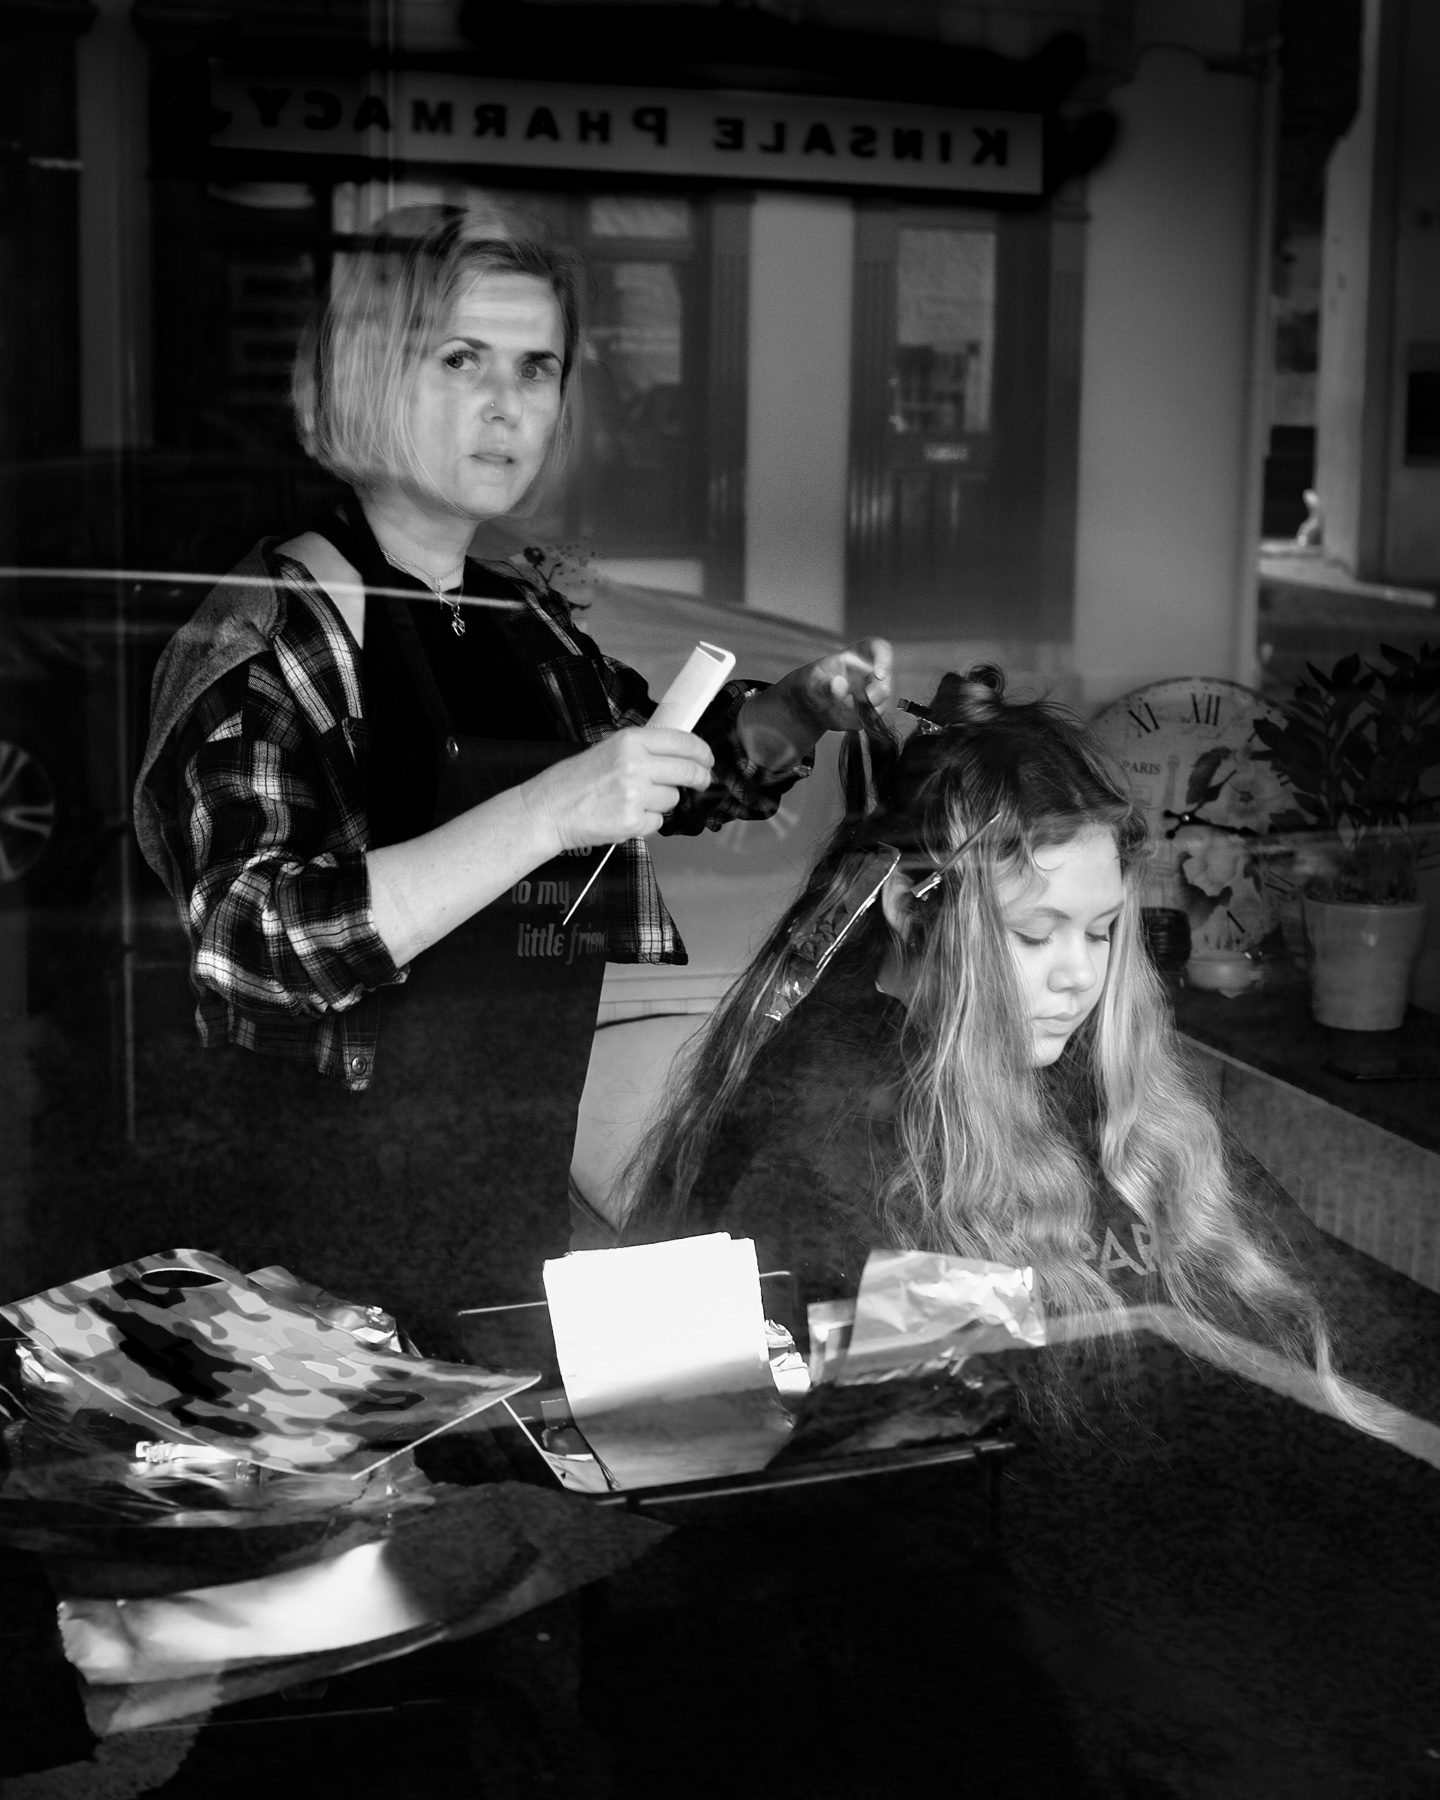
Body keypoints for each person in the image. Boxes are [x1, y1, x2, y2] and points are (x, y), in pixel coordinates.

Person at [131, 203, 890, 1349]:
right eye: (461, 360)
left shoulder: (522, 619)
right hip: (310, 1257)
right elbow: (250, 945)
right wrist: (544, 812)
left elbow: (663, 773)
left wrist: (800, 709)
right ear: (368, 376)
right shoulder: (280, 627)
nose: (507, 404)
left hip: (507, 1210)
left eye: (537, 368)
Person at [621, 665, 1410, 1426]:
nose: (1080, 976)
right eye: (1034, 935)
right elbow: (897, 1442)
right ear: (909, 907)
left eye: (1101, 932)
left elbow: (1341, 1333)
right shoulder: (823, 1135)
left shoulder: (1113, 1084)